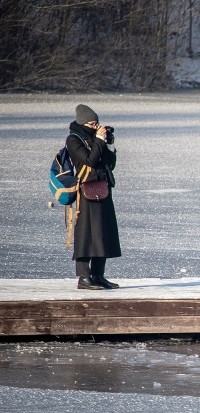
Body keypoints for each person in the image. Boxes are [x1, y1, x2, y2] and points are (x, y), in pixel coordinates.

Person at [67, 104, 121, 290]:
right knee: (85, 236)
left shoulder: (96, 139)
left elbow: (109, 163)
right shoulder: (73, 140)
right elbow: (89, 160)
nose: (95, 126)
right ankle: (84, 277)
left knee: (102, 234)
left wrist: (108, 143)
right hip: (85, 192)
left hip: (103, 188)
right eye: (92, 123)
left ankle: (98, 275)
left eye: (97, 123)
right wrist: (98, 140)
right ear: (83, 122)